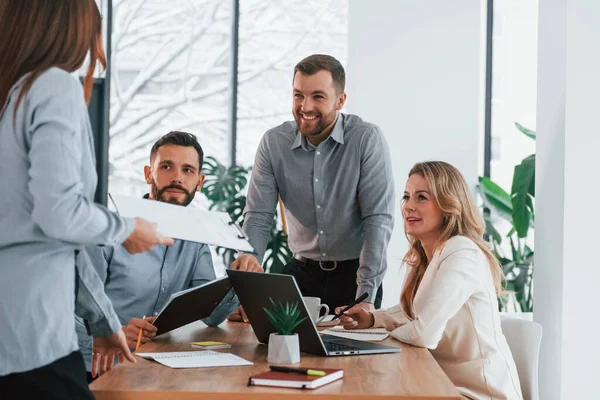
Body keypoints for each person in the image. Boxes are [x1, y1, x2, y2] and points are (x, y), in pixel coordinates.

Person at [0, 0, 173, 398]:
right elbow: (59, 215)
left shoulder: (12, 96)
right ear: (72, 28)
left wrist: (102, 321)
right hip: (34, 335)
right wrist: (128, 228)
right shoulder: (54, 86)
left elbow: (59, 240)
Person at [337, 161, 523, 400]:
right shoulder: (427, 254)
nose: (408, 207)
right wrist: (373, 319)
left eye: (422, 197)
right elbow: (414, 313)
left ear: (449, 205)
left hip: (478, 391)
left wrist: (387, 332)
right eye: (406, 197)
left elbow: (423, 332)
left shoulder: (462, 253)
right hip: (439, 382)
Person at [230, 54, 394, 315]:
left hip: (354, 277)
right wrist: (249, 276)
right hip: (300, 274)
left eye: (318, 96)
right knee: (273, 348)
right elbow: (259, 215)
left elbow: (378, 219)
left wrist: (366, 294)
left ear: (340, 100)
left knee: (351, 356)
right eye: (298, 95)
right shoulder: (274, 143)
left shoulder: (366, 139)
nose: (305, 106)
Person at [77, 131, 240, 381]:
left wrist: (240, 279)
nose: (177, 178)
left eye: (187, 170)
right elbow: (71, 310)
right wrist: (111, 330)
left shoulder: (195, 240)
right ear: (148, 173)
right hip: (98, 367)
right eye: (166, 167)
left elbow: (211, 314)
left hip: (155, 366)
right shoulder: (112, 229)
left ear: (199, 181)